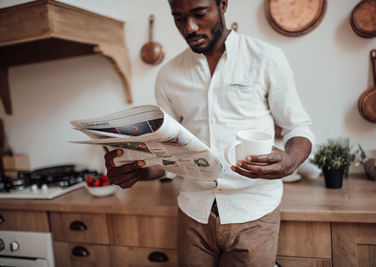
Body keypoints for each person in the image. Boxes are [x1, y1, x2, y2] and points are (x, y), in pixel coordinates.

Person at [105, 0, 314, 266]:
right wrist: (136, 170)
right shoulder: (169, 75)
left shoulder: (266, 57)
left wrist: (290, 161)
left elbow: (298, 126)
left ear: (223, 4)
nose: (189, 27)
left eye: (199, 14)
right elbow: (168, 155)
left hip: (254, 211)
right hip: (193, 212)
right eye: (178, 18)